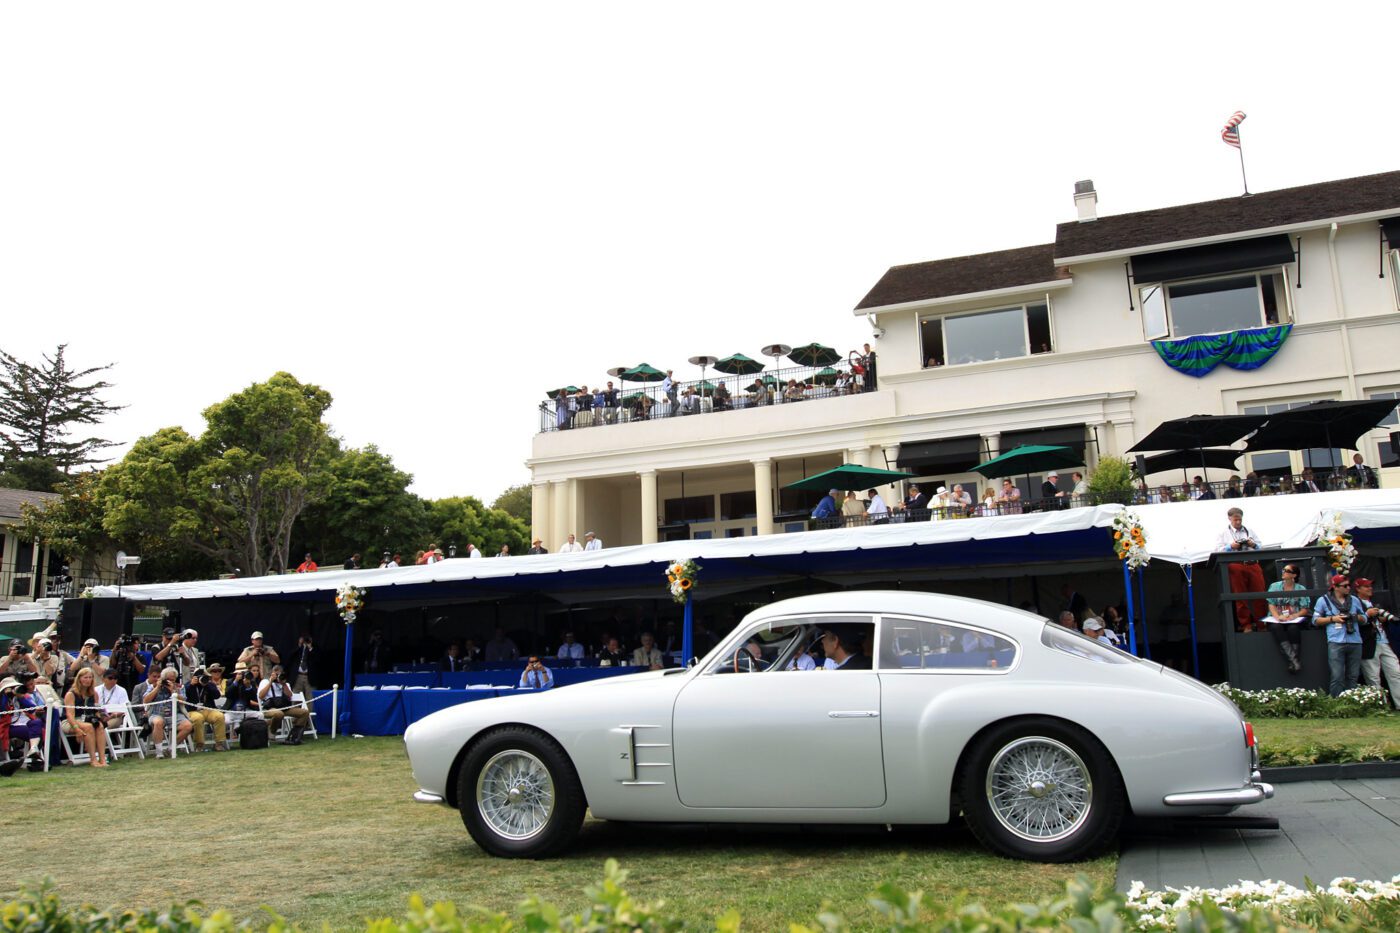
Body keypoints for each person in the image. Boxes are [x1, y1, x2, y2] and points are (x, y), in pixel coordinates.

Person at [1313, 575, 1365, 697]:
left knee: (1353, 675)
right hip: (1336, 641)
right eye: (1345, 586)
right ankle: (1336, 703)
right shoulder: (1323, 600)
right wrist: (1333, 618)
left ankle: (1351, 701)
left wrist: (1356, 617)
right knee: (1337, 675)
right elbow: (1315, 621)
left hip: (1355, 640)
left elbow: (1365, 618)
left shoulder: (1355, 600)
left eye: (1349, 585)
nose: (1348, 588)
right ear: (1335, 587)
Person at [1355, 578, 1400, 708]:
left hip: (1384, 641)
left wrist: (1382, 618)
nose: (1370, 588)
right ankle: (1381, 706)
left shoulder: (1374, 602)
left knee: (1395, 672)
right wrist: (1367, 615)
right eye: (1366, 586)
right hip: (1368, 643)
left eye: (1370, 586)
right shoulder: (1354, 602)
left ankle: (1398, 704)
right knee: (1373, 677)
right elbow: (1354, 620)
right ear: (1358, 589)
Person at [1265, 563, 1310, 673]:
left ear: (1294, 575)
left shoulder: (1301, 588)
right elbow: (1271, 604)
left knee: (1293, 629)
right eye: (1283, 570)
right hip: (1277, 618)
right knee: (1276, 627)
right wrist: (1277, 617)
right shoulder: (1274, 586)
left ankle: (1293, 661)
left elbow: (1305, 608)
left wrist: (1294, 616)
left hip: (1294, 619)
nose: (1283, 572)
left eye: (1286, 571)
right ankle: (1294, 661)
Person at [63, 667, 109, 766]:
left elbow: (96, 711)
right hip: (71, 720)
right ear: (79, 678)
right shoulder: (71, 694)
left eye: (90, 677)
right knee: (89, 727)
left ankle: (102, 759)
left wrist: (101, 716)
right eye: (85, 677)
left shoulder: (94, 694)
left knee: (100, 726)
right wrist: (76, 729)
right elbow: (70, 715)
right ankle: (93, 760)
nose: (88, 680)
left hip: (88, 718)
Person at [145, 667, 194, 755]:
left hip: (175, 714)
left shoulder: (179, 686)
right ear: (163, 678)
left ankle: (171, 749)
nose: (170, 682)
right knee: (158, 722)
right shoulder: (153, 686)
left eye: (172, 680)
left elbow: (183, 700)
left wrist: (173, 691)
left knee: (188, 726)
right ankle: (159, 752)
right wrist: (157, 688)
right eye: (168, 680)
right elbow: (145, 700)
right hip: (157, 713)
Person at [258, 665, 309, 744]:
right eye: (276, 674)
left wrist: (283, 684)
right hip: (269, 708)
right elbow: (261, 696)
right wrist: (271, 682)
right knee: (279, 713)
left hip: (284, 708)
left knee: (304, 712)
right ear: (272, 673)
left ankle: (294, 736)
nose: (278, 676)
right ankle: (272, 732)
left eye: (279, 674)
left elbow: (290, 696)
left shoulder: (285, 683)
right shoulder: (265, 682)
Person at [185, 668, 228, 751]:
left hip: (208, 709)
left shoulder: (209, 684)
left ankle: (219, 743)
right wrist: (191, 685)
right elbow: (184, 696)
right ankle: (199, 744)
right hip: (193, 711)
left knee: (219, 716)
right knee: (198, 718)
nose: (202, 678)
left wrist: (207, 684)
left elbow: (217, 696)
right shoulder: (188, 685)